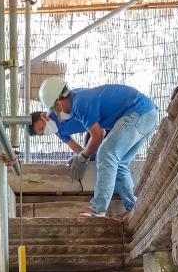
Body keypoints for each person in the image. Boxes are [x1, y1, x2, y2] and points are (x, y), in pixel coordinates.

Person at [28, 77, 158, 218]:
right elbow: (92, 139)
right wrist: (84, 155)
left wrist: (84, 156)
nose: (55, 111)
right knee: (118, 163)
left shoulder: (80, 103)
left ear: (58, 104)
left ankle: (97, 209)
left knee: (106, 154)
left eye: (54, 108)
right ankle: (134, 209)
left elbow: (98, 135)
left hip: (138, 112)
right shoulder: (74, 105)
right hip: (146, 114)